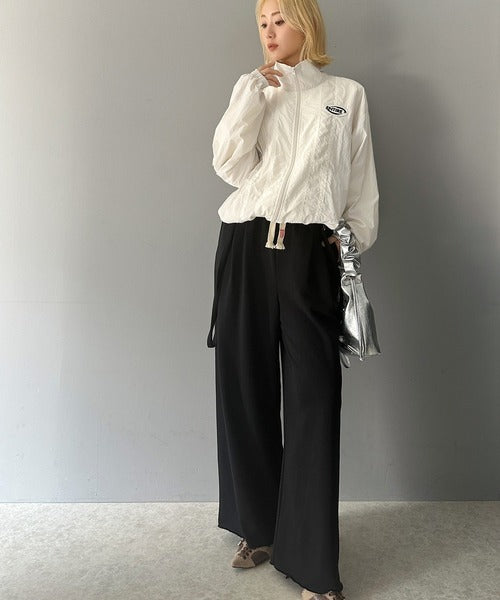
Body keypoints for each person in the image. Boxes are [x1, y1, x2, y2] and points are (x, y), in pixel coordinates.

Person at [206, 0, 379, 598]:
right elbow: (229, 165)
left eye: (279, 18)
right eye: (262, 22)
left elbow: (359, 182)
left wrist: (349, 241)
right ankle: (257, 529)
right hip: (246, 246)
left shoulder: (346, 95)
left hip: (309, 253)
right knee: (244, 387)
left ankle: (311, 561)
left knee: (314, 399)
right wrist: (253, 95)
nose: (269, 30)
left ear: (306, 22)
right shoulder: (253, 89)